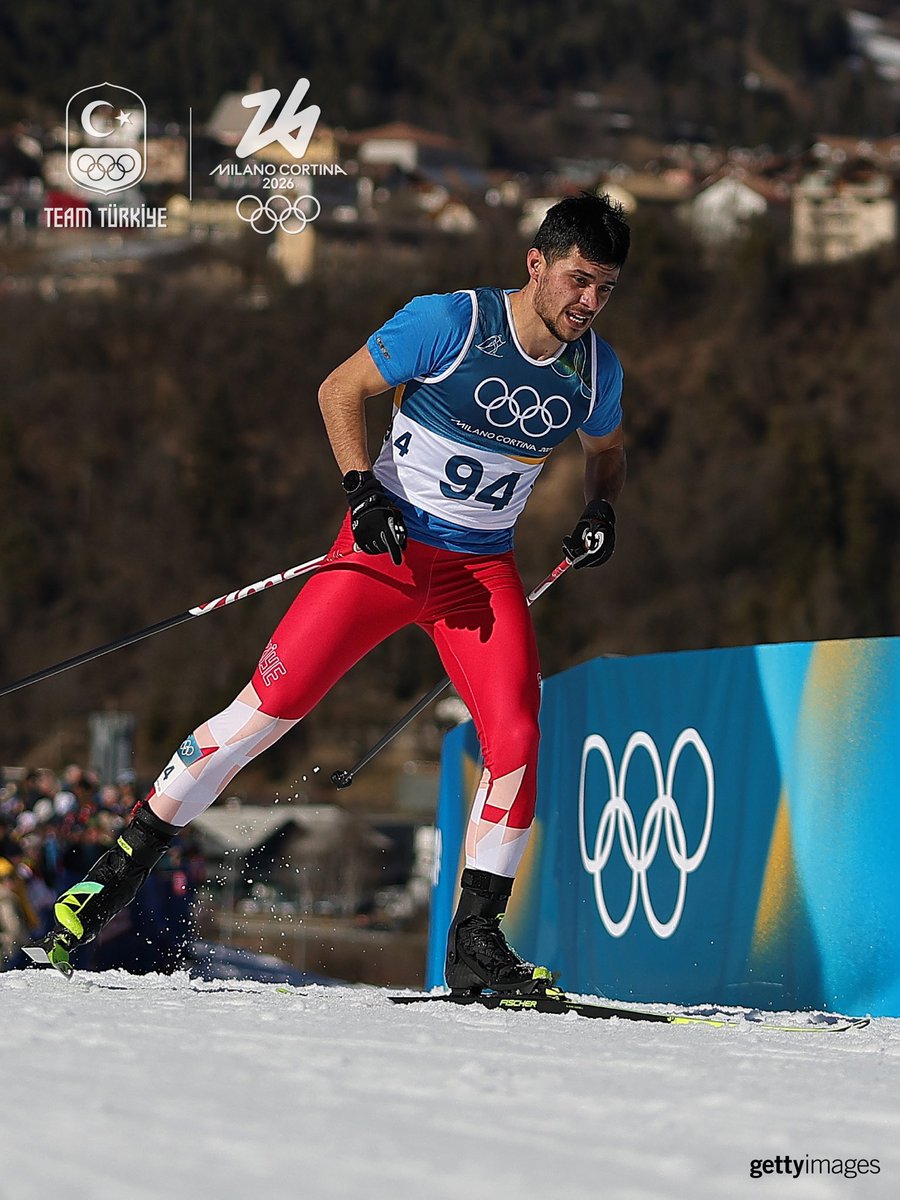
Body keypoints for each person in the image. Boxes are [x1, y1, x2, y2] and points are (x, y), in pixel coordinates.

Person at [33, 193, 630, 992]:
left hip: (478, 574)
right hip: (383, 551)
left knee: (518, 738)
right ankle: (115, 872)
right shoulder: (449, 324)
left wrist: (600, 508)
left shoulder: (593, 370)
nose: (589, 303)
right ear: (537, 265)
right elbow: (339, 390)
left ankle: (476, 943)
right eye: (578, 280)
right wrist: (362, 489)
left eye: (605, 288)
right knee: (264, 714)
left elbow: (607, 449)